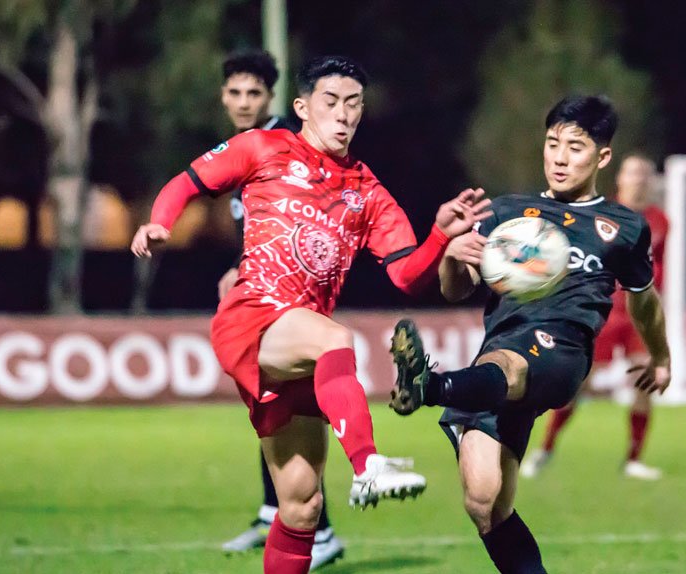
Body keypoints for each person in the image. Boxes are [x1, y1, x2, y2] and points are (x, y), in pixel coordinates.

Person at [131, 55, 490, 574]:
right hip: (253, 316)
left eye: (354, 104)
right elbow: (186, 182)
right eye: (331, 102)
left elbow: (406, 275)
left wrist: (440, 235)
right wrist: (158, 222)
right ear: (302, 107)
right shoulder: (263, 147)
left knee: (302, 505)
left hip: (298, 344)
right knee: (336, 340)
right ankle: (367, 465)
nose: (343, 114)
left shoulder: (367, 191)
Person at [388, 95, 671, 573]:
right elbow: (456, 290)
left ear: (602, 156)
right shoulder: (507, 213)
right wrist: (454, 254)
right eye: (552, 144)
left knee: (510, 361)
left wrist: (660, 356)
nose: (560, 158)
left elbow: (644, 300)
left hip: (562, 351)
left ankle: (430, 385)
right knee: (484, 503)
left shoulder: (624, 228)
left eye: (575, 147)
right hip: (498, 355)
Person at [211, 50, 343, 570]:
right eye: (235, 92)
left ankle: (316, 525)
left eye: (254, 93)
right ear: (223, 96)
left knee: (287, 405)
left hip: (295, 297)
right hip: (264, 295)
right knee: (269, 405)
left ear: (271, 97)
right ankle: (278, 510)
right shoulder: (242, 149)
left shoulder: (287, 144)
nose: (243, 102)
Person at [521, 153, 670, 481]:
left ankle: (633, 459)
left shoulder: (660, 220)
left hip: (639, 316)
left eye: (645, 174)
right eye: (634, 173)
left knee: (643, 383)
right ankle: (545, 449)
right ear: (620, 179)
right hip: (604, 311)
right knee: (578, 385)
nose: (640, 180)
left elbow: (660, 265)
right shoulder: (602, 215)